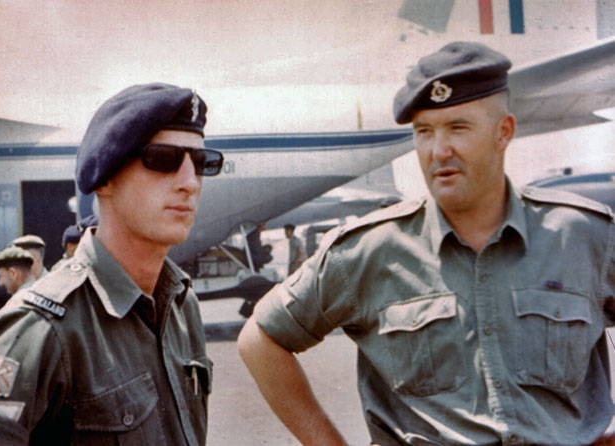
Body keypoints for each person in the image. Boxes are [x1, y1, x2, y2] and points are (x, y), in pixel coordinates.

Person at [238, 42, 615, 446]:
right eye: (424, 132)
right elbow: (261, 339)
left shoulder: (584, 235)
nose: (439, 151)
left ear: (503, 132)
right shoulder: (370, 249)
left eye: (458, 127)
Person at [0, 83, 223, 445]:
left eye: (201, 163)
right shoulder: (42, 329)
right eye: (163, 159)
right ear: (105, 178)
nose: (189, 182)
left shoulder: (180, 305)